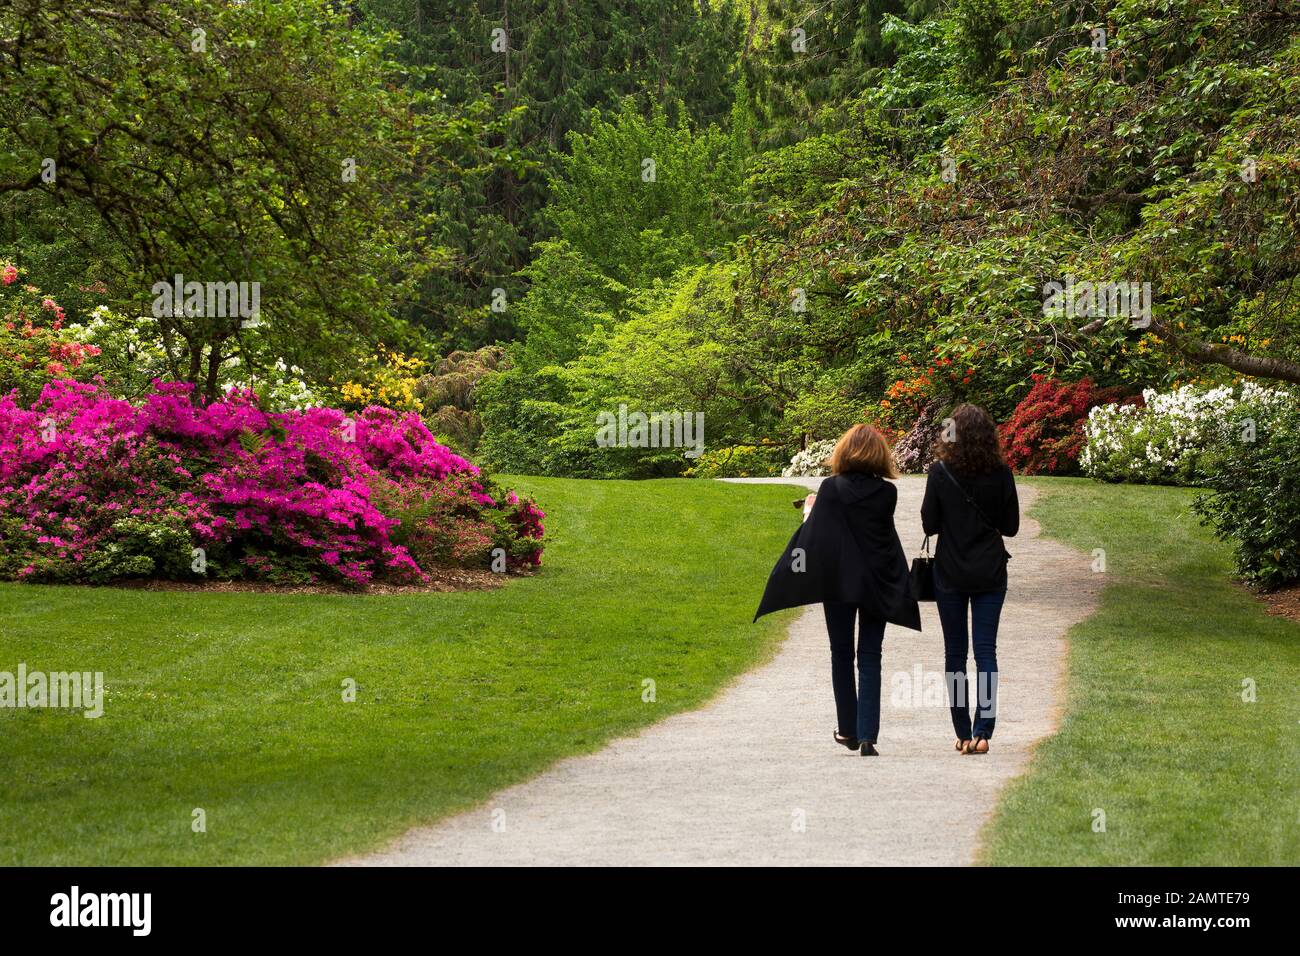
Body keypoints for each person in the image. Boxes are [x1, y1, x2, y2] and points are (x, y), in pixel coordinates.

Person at [755, 424, 921, 756]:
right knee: (871, 655)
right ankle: (868, 735)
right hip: (876, 584)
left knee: (841, 653)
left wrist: (808, 512)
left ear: (843, 451)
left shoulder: (831, 488)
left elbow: (820, 535)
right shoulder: (888, 493)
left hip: (839, 583)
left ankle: (847, 728)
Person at [920, 404, 1019, 756]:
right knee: (986, 651)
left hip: (950, 572)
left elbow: (929, 524)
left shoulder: (940, 472)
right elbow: (1011, 527)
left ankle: (962, 732)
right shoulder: (1002, 472)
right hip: (990, 571)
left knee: (955, 654)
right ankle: (984, 730)